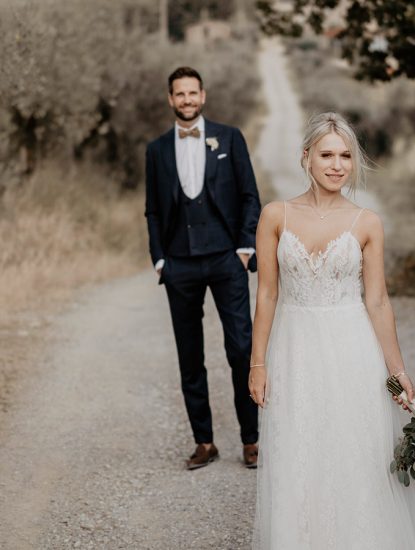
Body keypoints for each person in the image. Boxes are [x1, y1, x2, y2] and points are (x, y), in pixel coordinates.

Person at [249, 112, 415, 548]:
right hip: (295, 352)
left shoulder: (367, 222)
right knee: (298, 456)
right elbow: (267, 295)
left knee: (356, 457)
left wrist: (397, 370)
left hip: (353, 352)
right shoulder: (275, 215)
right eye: (327, 154)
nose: (337, 164)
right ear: (306, 158)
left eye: (346, 155)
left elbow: (378, 300)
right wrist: (257, 363)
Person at [145, 66, 261, 470]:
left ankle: (252, 439)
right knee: (189, 356)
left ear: (204, 96)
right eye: (180, 94)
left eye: (193, 93)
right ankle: (204, 442)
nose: (187, 100)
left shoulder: (229, 138)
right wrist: (160, 261)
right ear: (170, 99)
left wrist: (246, 247)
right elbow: (154, 211)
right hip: (179, 265)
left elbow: (249, 195)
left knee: (241, 349)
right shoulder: (156, 150)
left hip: (227, 258)